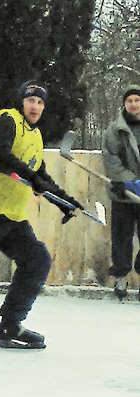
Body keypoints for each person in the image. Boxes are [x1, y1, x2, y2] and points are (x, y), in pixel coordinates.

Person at [0, 80, 82, 348]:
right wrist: (32, 177)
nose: (35, 106)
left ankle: (10, 325)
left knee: (37, 260)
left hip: (10, 215)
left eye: (40, 102)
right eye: (30, 100)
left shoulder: (35, 137)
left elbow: (41, 177)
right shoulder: (6, 119)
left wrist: (66, 203)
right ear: (21, 101)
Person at [102, 84, 140, 301]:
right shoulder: (115, 129)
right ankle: (121, 276)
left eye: (137, 100)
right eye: (130, 101)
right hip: (122, 192)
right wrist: (131, 183)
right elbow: (111, 159)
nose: (134, 104)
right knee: (122, 237)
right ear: (124, 104)